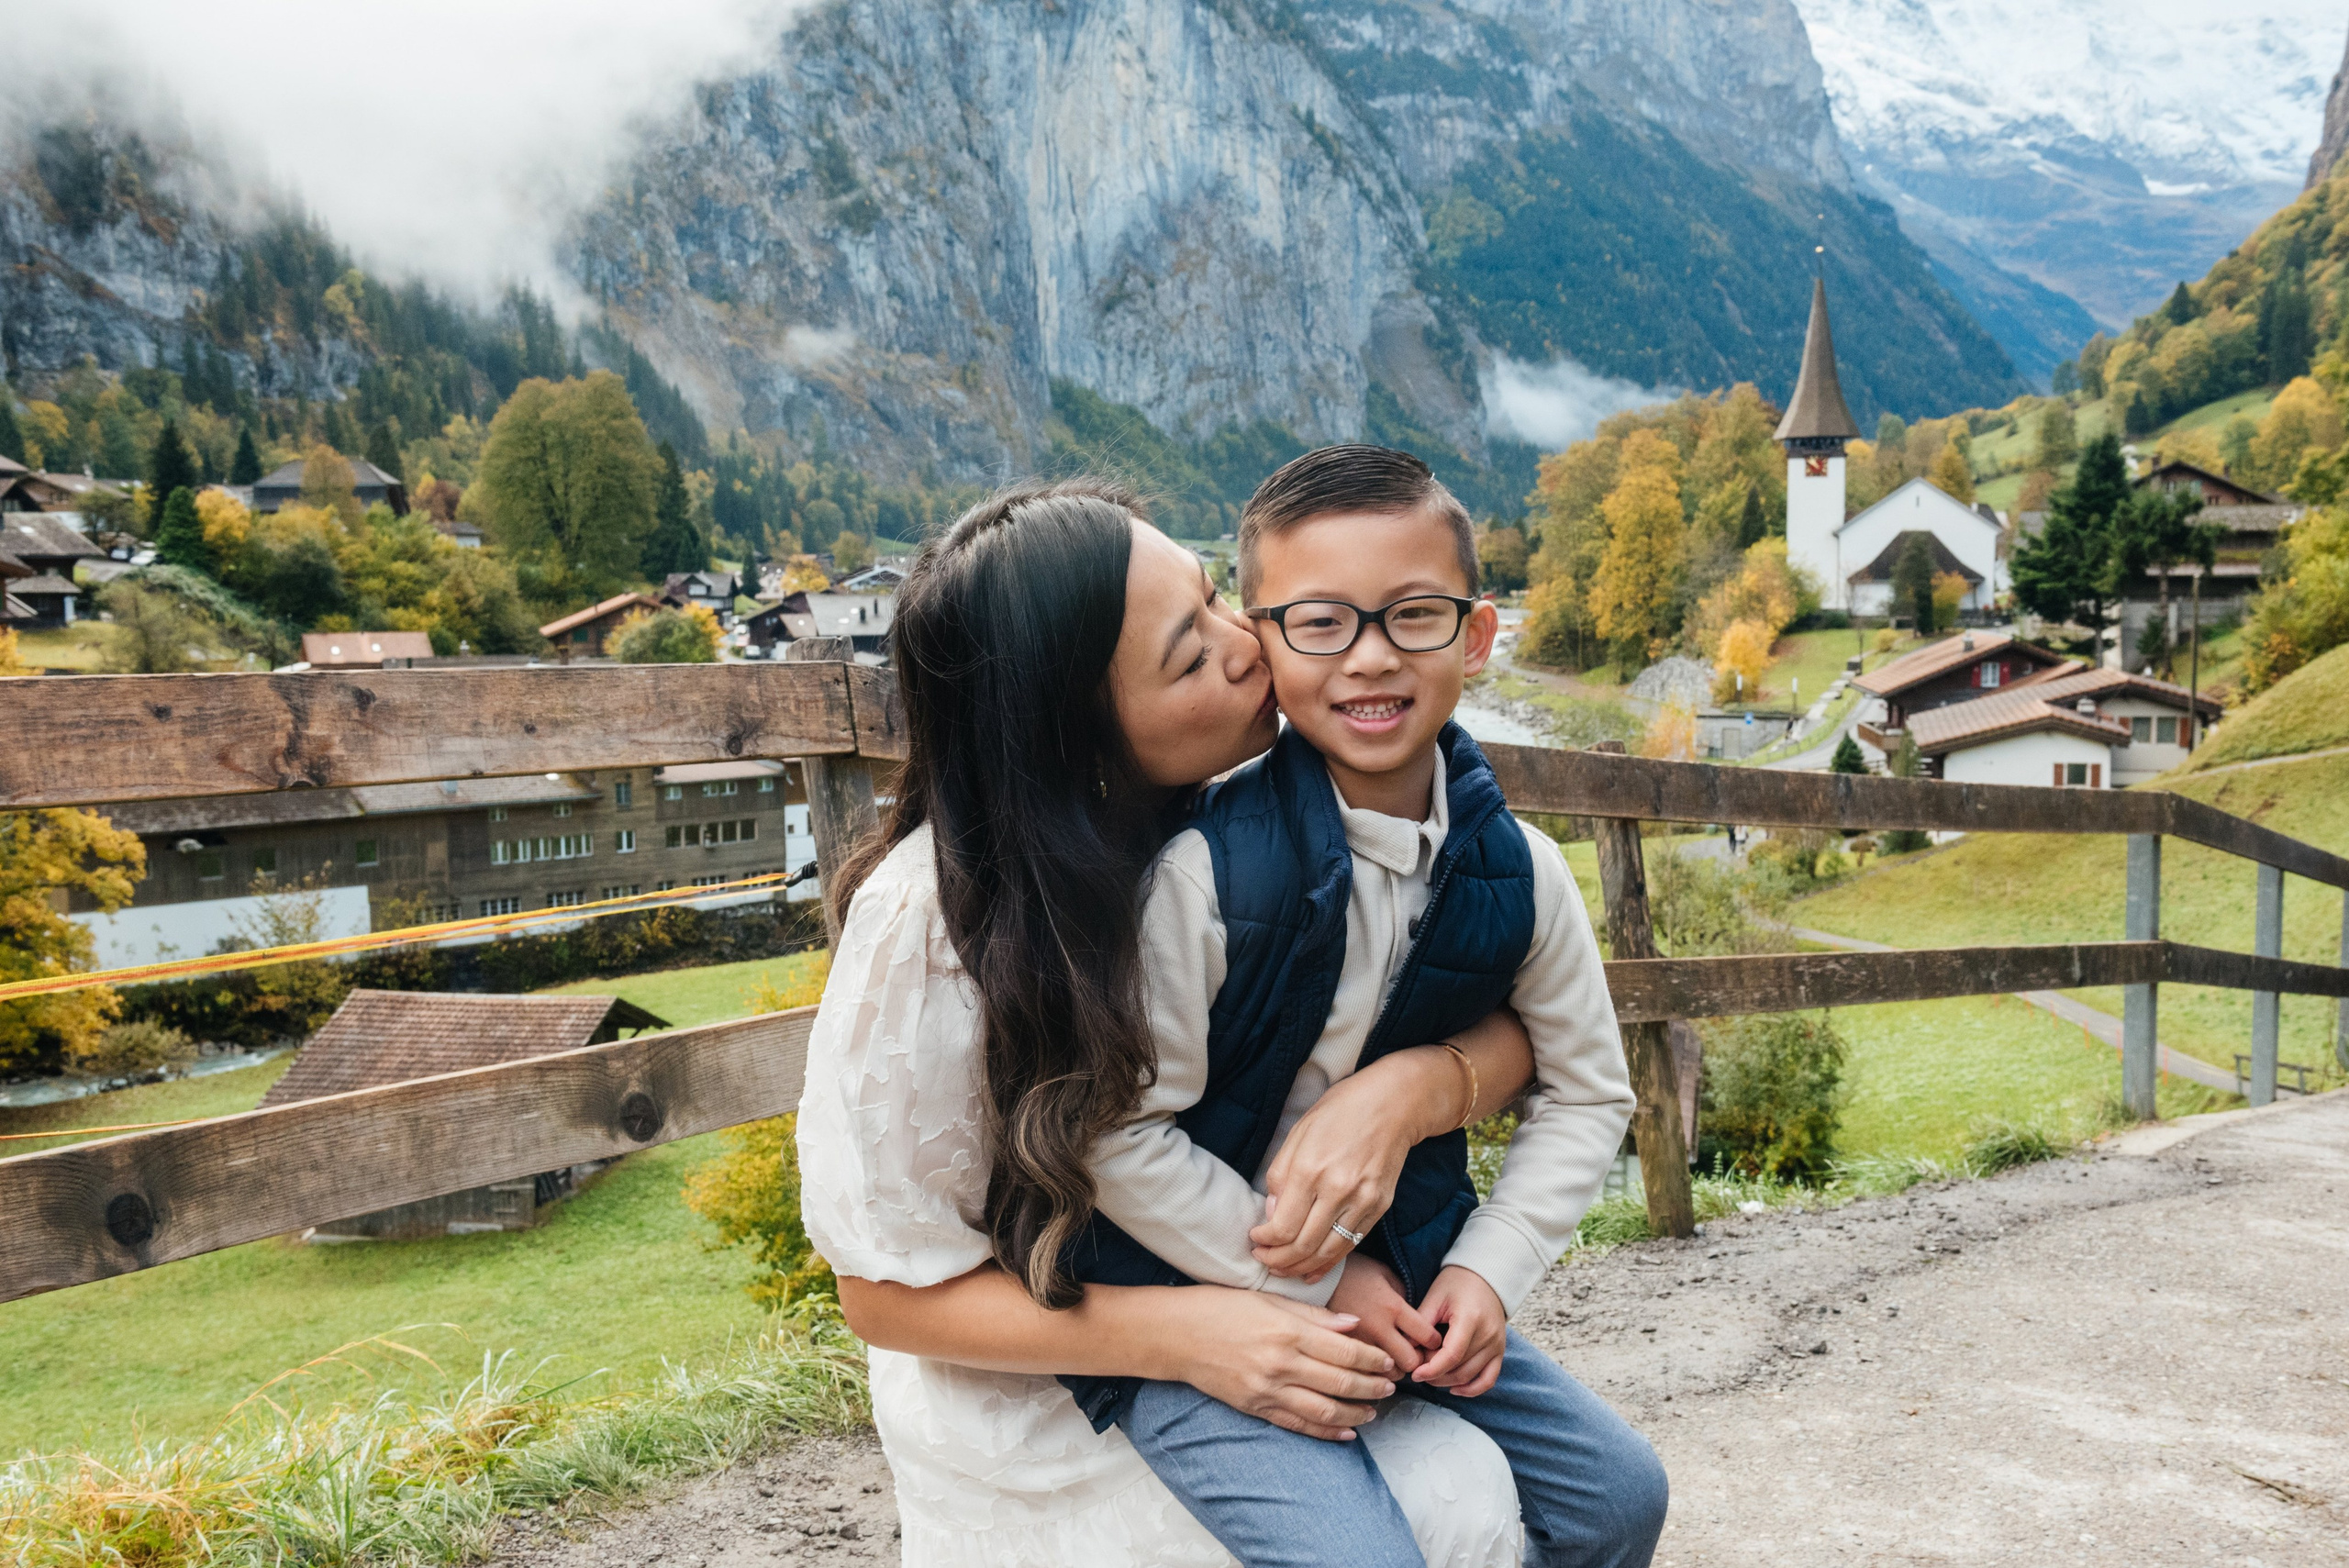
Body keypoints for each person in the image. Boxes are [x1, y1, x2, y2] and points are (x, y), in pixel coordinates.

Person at [796, 478, 1538, 1567]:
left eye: (1215, 601)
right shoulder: (929, 924)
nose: (1251, 648)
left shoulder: (1254, 811)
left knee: (1529, 1485)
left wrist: (1413, 1085)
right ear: (1078, 743)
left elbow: (1517, 1011)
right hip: (1053, 1378)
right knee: (1443, 1501)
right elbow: (879, 1294)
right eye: (1190, 657)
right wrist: (1188, 1333)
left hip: (1245, 1273)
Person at [1074, 446, 1669, 1567]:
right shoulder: (1202, 874)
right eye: (1321, 623)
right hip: (1201, 1289)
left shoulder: (1524, 871)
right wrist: (1314, 1274)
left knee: (1618, 1498)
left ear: (1478, 635)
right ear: (1260, 636)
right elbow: (1117, 1135)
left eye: (1413, 615)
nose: (1371, 657)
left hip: (1417, 1283)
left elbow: (1590, 1088)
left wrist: (1484, 1272)